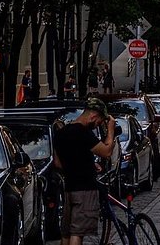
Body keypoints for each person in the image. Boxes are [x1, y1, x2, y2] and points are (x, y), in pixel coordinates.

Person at [53, 98, 116, 245]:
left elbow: (58, 162)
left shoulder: (61, 133)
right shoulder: (84, 133)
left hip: (69, 188)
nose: (97, 125)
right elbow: (106, 152)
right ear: (93, 116)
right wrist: (111, 130)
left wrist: (85, 164)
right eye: (99, 121)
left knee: (67, 232)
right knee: (78, 232)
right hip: (85, 189)